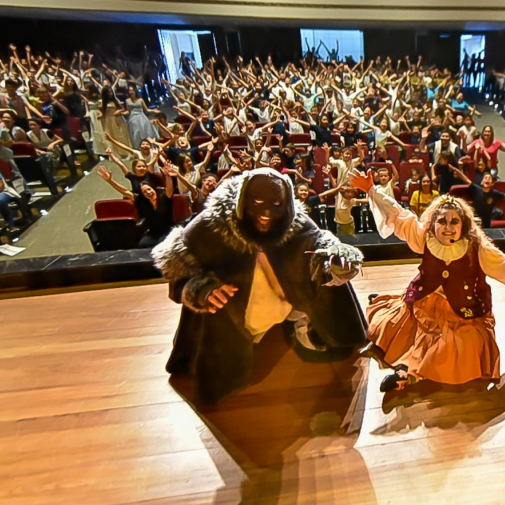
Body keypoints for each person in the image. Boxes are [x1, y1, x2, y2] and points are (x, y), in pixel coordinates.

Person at [150, 168, 368, 404]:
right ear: (243, 199)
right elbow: (175, 267)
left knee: (323, 274)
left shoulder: (293, 220)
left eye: (275, 203)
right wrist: (202, 289)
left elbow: (320, 241)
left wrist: (337, 258)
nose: (266, 213)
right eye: (257, 201)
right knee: (221, 321)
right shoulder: (212, 223)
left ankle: (305, 322)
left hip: (285, 295)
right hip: (238, 308)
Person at [347, 168, 505, 392]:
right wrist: (371, 190)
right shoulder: (424, 238)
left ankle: (409, 373)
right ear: (432, 223)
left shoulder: (477, 249)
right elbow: (398, 214)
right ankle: (408, 369)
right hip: (426, 299)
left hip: (464, 309)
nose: (447, 227)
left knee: (456, 347)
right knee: (406, 329)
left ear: (463, 225)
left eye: (454, 222)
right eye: (442, 221)